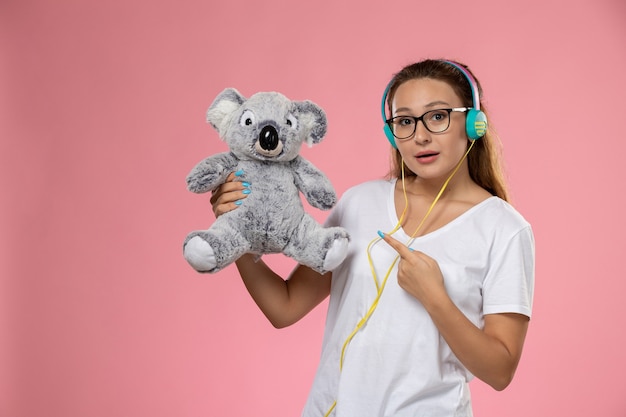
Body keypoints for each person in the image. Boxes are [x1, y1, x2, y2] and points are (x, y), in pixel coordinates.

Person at [209, 59, 535, 417]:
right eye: (405, 122)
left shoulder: (503, 229)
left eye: (437, 116)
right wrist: (235, 232)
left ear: (473, 123)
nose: (421, 136)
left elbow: (500, 370)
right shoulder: (360, 203)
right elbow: (284, 307)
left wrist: (435, 297)